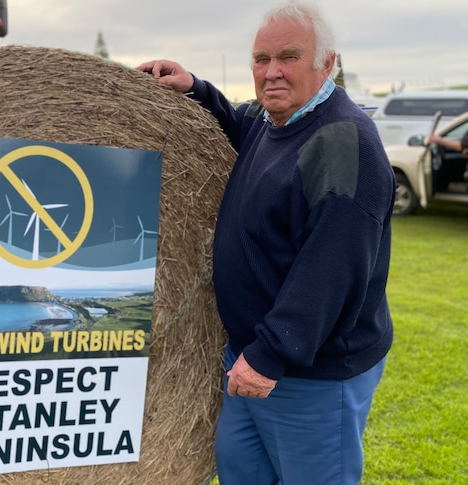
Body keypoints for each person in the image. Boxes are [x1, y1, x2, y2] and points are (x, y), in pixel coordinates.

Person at [138, 2, 394, 484]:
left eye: (289, 57)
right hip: (252, 356)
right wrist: (195, 88)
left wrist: (270, 355)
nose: (271, 72)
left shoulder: (343, 142)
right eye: (261, 59)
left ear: (327, 62)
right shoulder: (273, 119)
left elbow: (332, 269)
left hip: (307, 371)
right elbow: (239, 125)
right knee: (241, 470)